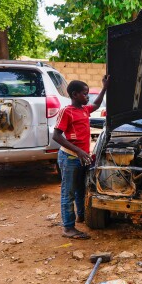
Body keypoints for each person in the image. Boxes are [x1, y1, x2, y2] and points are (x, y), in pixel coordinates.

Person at [53, 76, 108, 239]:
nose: (88, 96)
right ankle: (68, 228)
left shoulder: (84, 110)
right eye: (85, 94)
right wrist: (78, 151)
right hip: (69, 158)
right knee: (68, 192)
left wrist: (104, 87)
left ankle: (81, 216)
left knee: (80, 189)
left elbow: (97, 104)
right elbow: (56, 136)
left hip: (81, 157)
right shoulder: (66, 111)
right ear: (75, 94)